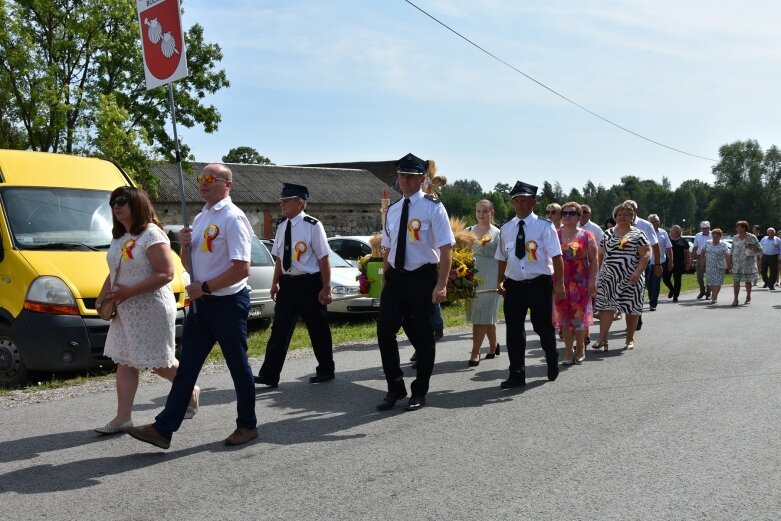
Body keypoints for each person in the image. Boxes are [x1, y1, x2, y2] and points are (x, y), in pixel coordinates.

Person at [127, 163, 257, 449]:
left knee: (238, 365)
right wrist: (185, 246)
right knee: (187, 368)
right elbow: (190, 266)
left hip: (227, 303)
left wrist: (207, 287)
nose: (204, 183)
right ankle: (163, 429)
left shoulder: (233, 218)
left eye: (211, 178)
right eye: (201, 178)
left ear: (228, 185)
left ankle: (247, 424)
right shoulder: (201, 217)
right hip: (202, 305)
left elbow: (242, 269)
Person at [94, 187, 197, 434]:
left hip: (151, 308)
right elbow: (115, 270)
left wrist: (127, 293)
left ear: (137, 204)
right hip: (126, 309)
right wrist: (102, 295)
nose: (116, 207)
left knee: (159, 363)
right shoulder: (120, 236)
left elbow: (166, 274)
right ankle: (123, 418)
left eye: (122, 202)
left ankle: (190, 390)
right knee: (126, 361)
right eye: (113, 203)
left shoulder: (152, 234)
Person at [375, 153, 454, 412]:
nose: (405, 180)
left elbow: (445, 249)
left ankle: (419, 391)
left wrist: (441, 284)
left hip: (422, 277)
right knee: (385, 331)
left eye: (411, 176)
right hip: (396, 278)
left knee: (423, 338)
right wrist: (386, 278)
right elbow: (387, 248)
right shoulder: (395, 209)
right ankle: (394, 387)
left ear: (422, 178)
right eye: (402, 175)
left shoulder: (433, 207)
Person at [254, 183, 334, 387]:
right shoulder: (281, 226)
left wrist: (326, 287)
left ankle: (325, 370)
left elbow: (324, 258)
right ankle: (269, 375)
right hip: (287, 285)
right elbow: (279, 259)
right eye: (282, 201)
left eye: (286, 200)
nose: (282, 204)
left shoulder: (313, 225)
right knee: (279, 330)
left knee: (318, 329)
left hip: (309, 284)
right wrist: (274, 284)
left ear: (300, 202)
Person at [495, 181, 563, 388]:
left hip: (539, 284)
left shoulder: (544, 226)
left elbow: (557, 257)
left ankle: (551, 356)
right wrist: (500, 280)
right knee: (514, 331)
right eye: (516, 199)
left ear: (533, 201)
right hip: (514, 285)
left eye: (524, 199)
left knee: (542, 326)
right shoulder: (506, 228)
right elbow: (502, 257)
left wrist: (558, 285)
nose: (519, 203)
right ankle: (517, 373)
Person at [592, 202, 650, 352]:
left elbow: (646, 254)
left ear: (632, 217)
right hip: (608, 277)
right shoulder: (608, 233)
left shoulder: (638, 234)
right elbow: (600, 254)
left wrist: (638, 272)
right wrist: (596, 275)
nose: (622, 217)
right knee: (606, 308)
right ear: (615, 217)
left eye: (626, 215)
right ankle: (602, 338)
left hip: (632, 277)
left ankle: (630, 338)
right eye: (619, 215)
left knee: (632, 308)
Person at [553, 202, 597, 365]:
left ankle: (580, 348)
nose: (567, 216)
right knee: (564, 316)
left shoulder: (586, 235)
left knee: (579, 317)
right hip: (560, 281)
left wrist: (593, 281)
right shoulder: (555, 235)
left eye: (571, 213)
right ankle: (568, 350)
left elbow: (594, 260)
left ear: (579, 216)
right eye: (564, 213)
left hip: (580, 282)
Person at [466, 199, 502, 366]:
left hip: (491, 279)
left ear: (491, 213)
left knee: (480, 316)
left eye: (485, 211)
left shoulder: (498, 233)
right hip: (472, 279)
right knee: (485, 315)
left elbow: (504, 258)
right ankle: (494, 346)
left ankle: (475, 353)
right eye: (479, 211)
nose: (481, 214)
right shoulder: (468, 231)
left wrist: (502, 280)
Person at [730, 220, 761, 306]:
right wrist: (730, 263)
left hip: (748, 263)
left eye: (738, 227)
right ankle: (735, 299)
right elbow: (732, 251)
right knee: (736, 281)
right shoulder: (735, 237)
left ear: (743, 228)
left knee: (748, 281)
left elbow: (760, 249)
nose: (736, 229)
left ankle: (748, 296)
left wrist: (751, 247)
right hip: (737, 263)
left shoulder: (752, 237)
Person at [646, 214, 672, 311]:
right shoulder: (645, 232)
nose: (656, 223)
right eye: (653, 221)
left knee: (656, 283)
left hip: (660, 262)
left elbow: (669, 248)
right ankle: (651, 298)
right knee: (649, 284)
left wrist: (671, 261)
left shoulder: (663, 233)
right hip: (648, 262)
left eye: (657, 221)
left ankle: (653, 303)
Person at [700, 228, 731, 305]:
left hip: (719, 266)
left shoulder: (723, 244)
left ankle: (714, 297)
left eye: (717, 236)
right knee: (710, 282)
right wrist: (702, 262)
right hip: (709, 266)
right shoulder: (708, 243)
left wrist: (729, 265)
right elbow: (702, 252)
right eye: (713, 236)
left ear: (720, 237)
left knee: (718, 282)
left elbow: (727, 255)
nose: (715, 238)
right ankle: (714, 293)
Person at [663, 225, 691, 302]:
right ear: (671, 231)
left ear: (680, 232)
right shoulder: (667, 239)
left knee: (677, 279)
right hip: (668, 262)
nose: (676, 232)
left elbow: (687, 253)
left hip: (679, 263)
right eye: (674, 230)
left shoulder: (683, 241)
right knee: (665, 278)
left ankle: (676, 295)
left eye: (677, 230)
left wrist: (688, 263)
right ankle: (672, 289)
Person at [691, 221, 712, 300]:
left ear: (709, 228)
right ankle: (702, 290)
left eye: (706, 228)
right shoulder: (698, 235)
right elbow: (695, 247)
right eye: (703, 229)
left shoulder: (713, 234)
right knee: (699, 275)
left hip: (710, 256)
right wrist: (691, 258)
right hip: (700, 257)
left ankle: (708, 292)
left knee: (709, 275)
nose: (705, 230)